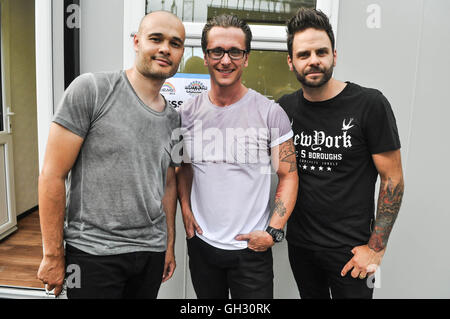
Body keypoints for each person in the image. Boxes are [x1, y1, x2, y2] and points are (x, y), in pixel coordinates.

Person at [37, 11, 185, 299]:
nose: (165, 48)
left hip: (150, 253)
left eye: (175, 43)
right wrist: (53, 254)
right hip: (92, 254)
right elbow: (52, 175)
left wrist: (168, 244)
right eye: (156, 39)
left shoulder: (174, 120)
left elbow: (169, 182)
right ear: (137, 42)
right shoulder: (91, 90)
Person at [278, 8, 405, 299]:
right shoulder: (285, 108)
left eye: (321, 52)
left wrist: (375, 248)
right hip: (302, 247)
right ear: (291, 61)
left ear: (334, 55)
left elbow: (393, 179)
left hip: (351, 253)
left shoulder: (370, 104)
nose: (313, 61)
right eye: (303, 54)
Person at [176, 14, 299, 299]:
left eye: (235, 51)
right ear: (205, 57)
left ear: (246, 58)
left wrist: (273, 232)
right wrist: (185, 209)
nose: (225, 60)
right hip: (203, 246)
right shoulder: (185, 115)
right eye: (217, 51)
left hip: (251, 252)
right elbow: (182, 168)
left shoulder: (270, 113)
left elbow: (289, 175)